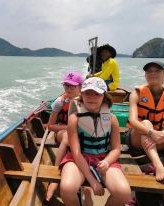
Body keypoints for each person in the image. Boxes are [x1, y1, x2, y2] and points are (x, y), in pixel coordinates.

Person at [60, 77, 131, 206]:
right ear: (81, 94)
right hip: (78, 159)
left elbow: (116, 149)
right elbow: (75, 152)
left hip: (103, 158)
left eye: (97, 93)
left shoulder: (112, 119)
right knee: (67, 189)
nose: (91, 97)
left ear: (104, 96)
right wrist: (93, 181)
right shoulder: (74, 119)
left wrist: (106, 162)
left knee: (124, 194)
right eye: (87, 93)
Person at [46, 71, 83, 201]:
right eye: (66, 86)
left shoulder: (87, 101)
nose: (68, 89)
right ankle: (55, 178)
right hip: (63, 133)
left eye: (72, 86)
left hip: (83, 135)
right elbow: (50, 126)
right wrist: (70, 128)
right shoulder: (59, 102)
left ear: (80, 87)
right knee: (68, 136)